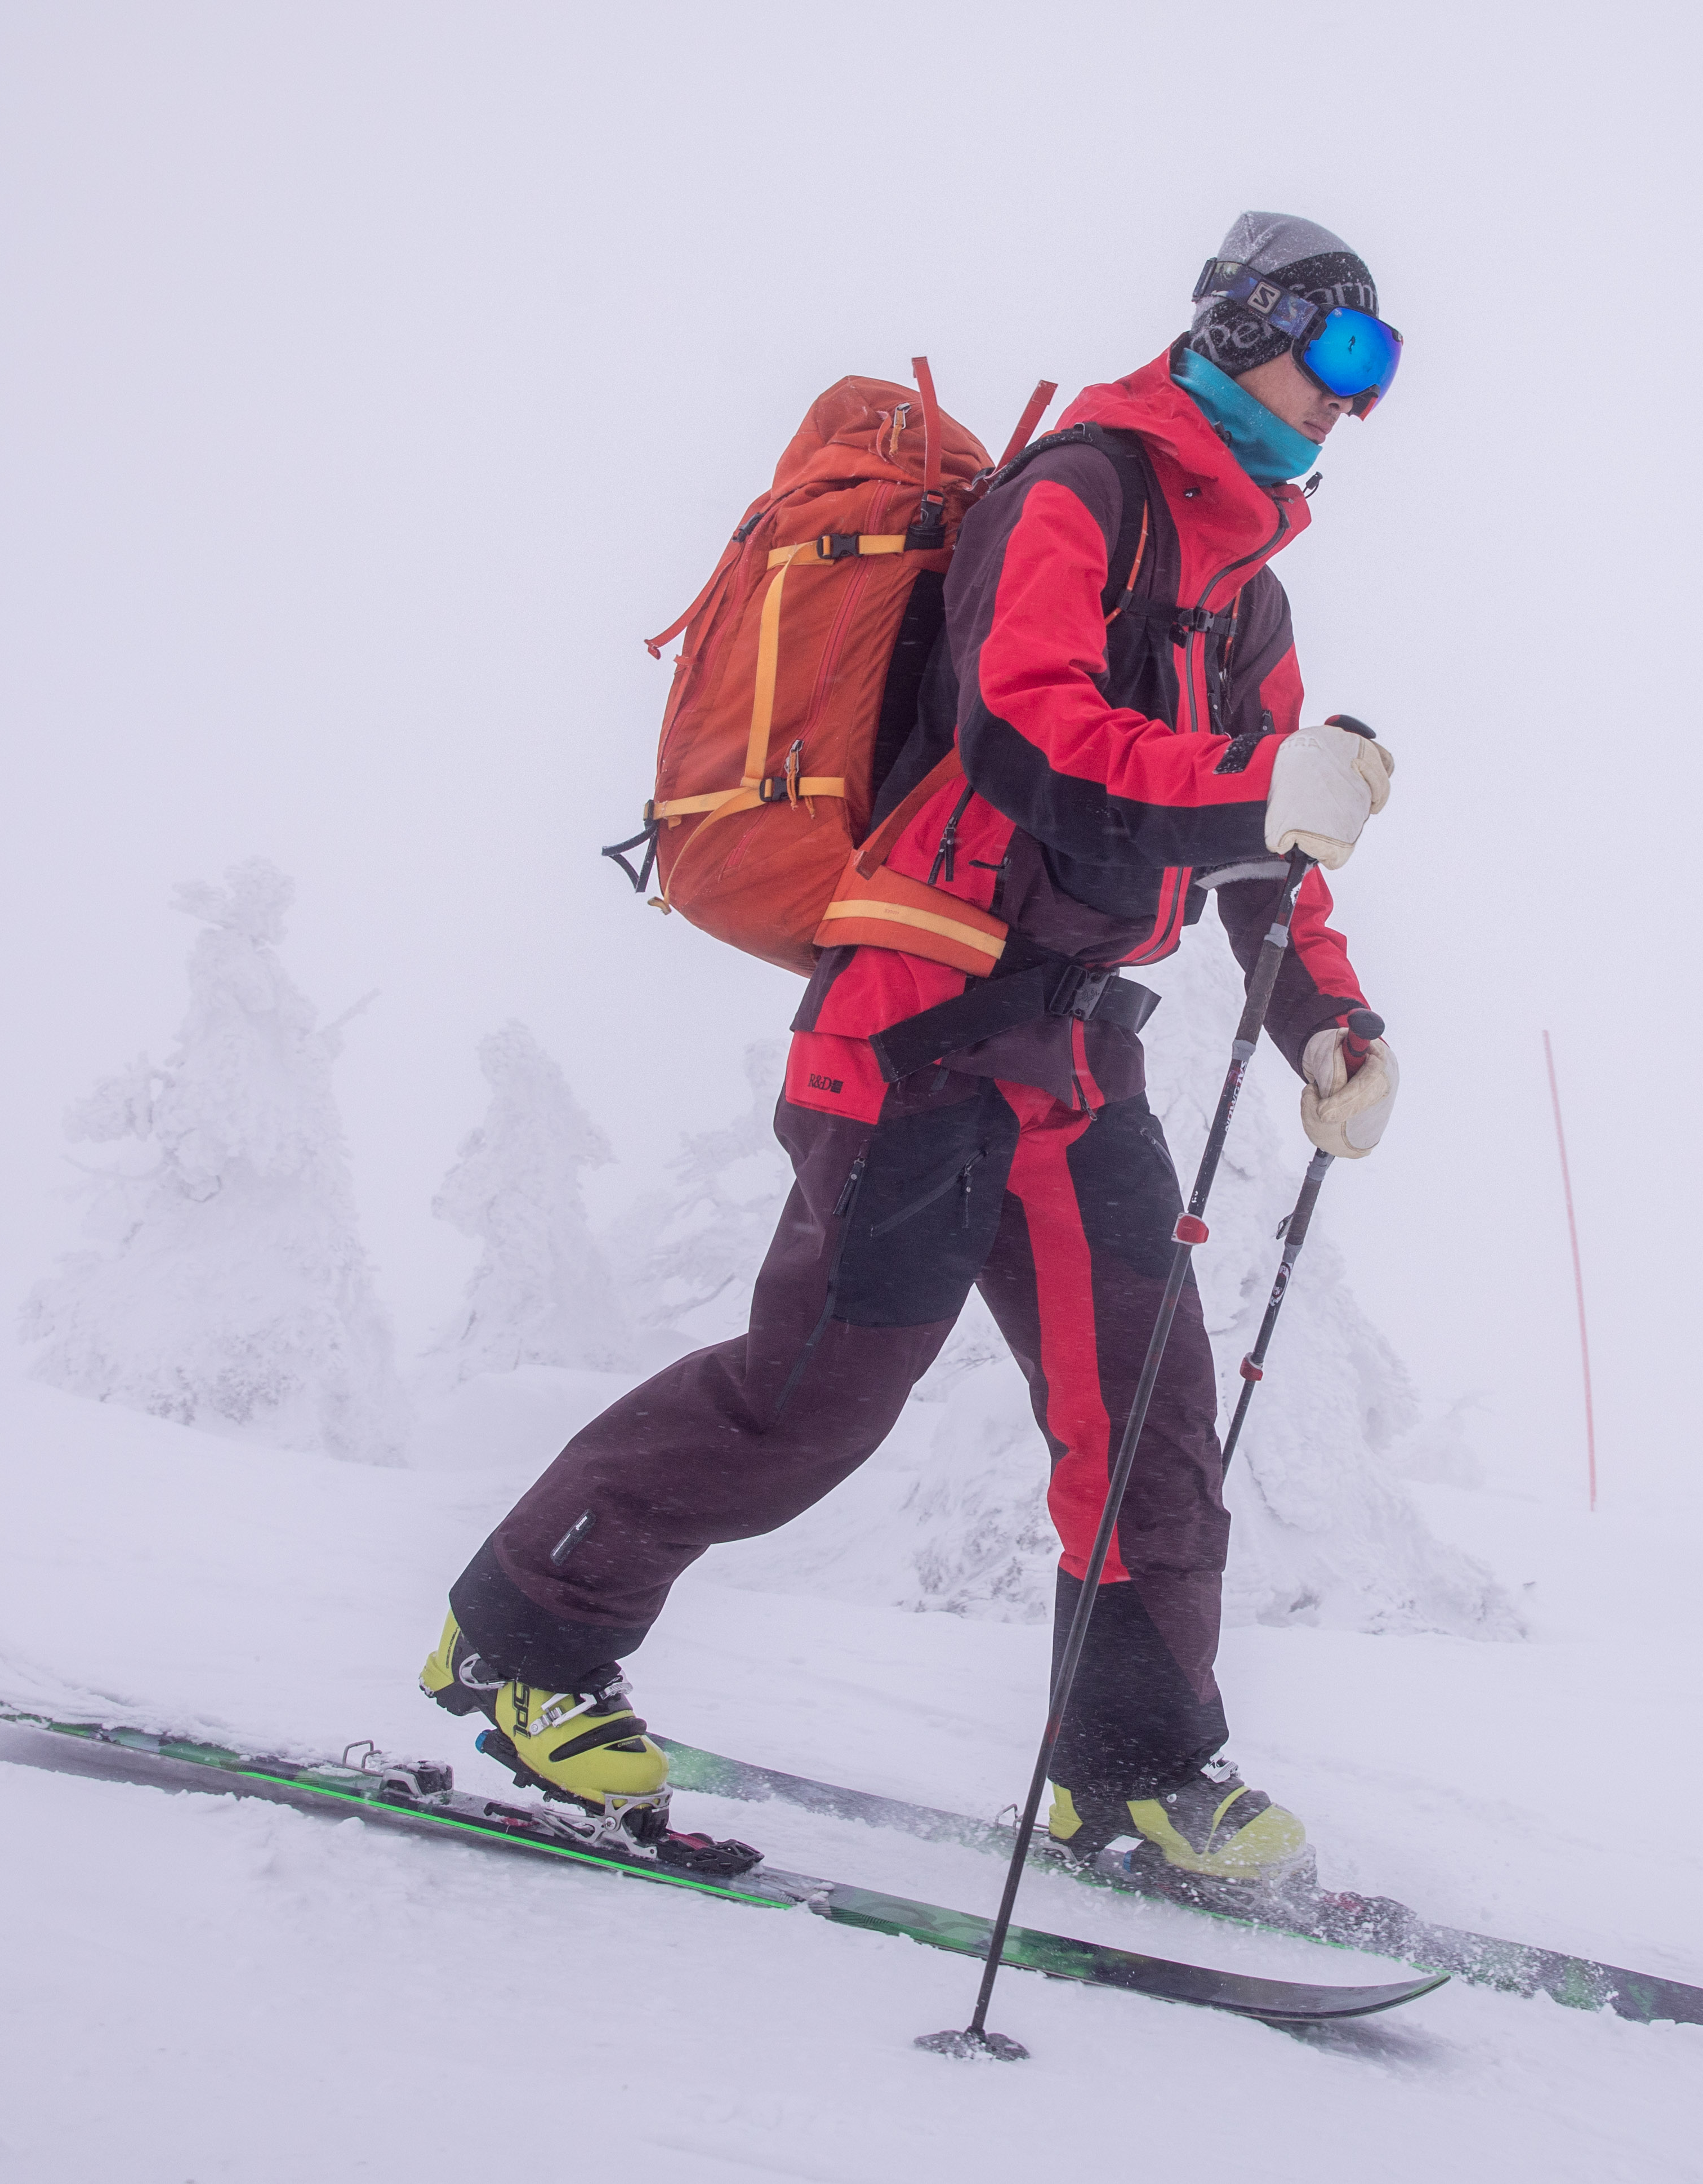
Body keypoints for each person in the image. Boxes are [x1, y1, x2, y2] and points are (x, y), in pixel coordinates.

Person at [415, 212, 1406, 1891]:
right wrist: (1252, 789)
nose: (1357, 404)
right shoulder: (1081, 491)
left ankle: (1139, 1775)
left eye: (1385, 378)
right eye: (1346, 356)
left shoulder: (1252, 589)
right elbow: (1030, 740)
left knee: (1149, 1422)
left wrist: (1328, 1020)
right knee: (816, 1399)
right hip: (920, 1015)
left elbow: (1269, 856)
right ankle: (525, 1638)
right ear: (1252, 328)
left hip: (1077, 1052)